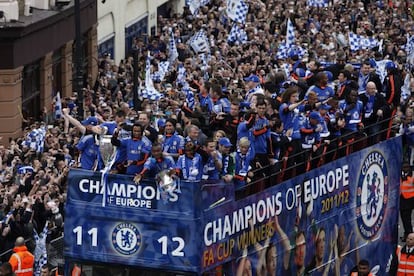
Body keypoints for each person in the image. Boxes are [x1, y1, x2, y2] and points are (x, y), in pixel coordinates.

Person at [400, 162, 414, 242]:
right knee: (403, 219)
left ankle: (410, 236)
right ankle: (406, 235)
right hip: (402, 200)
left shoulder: (412, 175)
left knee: (407, 220)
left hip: (409, 201)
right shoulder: (400, 175)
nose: (405, 168)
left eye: (407, 167)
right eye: (404, 167)